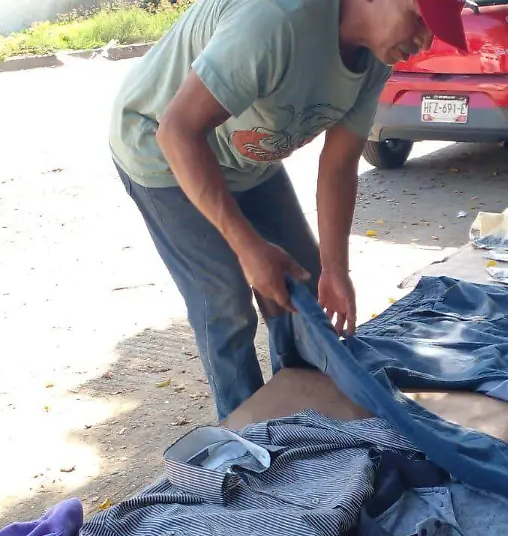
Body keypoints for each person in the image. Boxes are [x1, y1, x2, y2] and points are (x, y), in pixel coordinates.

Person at [109, 0, 468, 421]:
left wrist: (335, 270)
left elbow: (338, 165)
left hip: (247, 160)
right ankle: (247, 436)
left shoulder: (374, 59)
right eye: (420, 20)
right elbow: (177, 132)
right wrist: (247, 248)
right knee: (226, 299)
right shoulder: (277, 19)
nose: (425, 42)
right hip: (160, 149)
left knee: (304, 282)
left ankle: (303, 417)